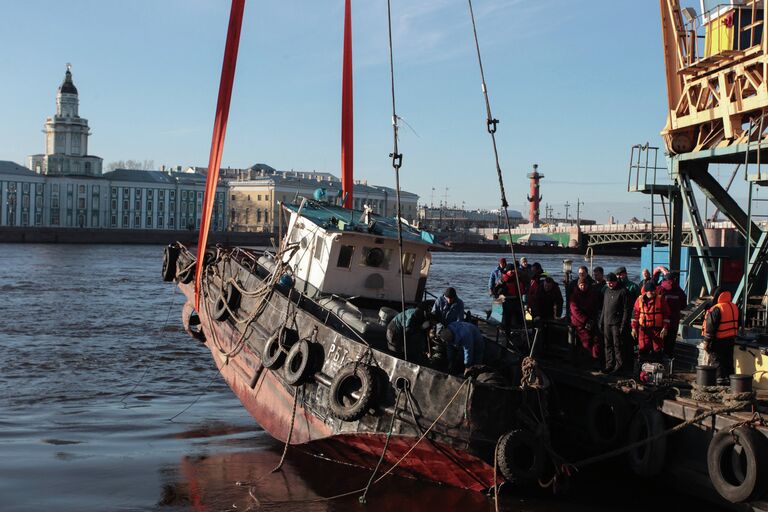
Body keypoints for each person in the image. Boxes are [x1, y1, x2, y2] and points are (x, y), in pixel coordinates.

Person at [702, 290, 738, 385]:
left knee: (717, 363)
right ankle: (732, 384)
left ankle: (720, 384)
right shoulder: (733, 306)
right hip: (730, 339)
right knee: (729, 362)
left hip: (718, 340)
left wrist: (706, 342)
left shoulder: (716, 309)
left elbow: (710, 328)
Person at [600, 272, 632, 374]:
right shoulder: (606, 291)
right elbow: (604, 308)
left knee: (617, 345)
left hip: (616, 323)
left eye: (611, 282)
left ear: (616, 281)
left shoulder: (623, 291)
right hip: (606, 322)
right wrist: (601, 321)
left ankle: (619, 366)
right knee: (607, 345)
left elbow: (626, 310)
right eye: (608, 283)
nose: (610, 284)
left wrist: (623, 325)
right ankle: (609, 365)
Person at [631, 281, 670, 361]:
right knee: (643, 348)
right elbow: (635, 316)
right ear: (646, 291)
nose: (652, 292)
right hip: (643, 329)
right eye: (650, 291)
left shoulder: (660, 300)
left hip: (657, 329)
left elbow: (666, 315)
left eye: (653, 290)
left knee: (657, 349)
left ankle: (657, 369)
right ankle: (643, 370)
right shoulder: (639, 300)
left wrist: (665, 328)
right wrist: (633, 328)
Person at [569, 277, 602, 363]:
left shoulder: (592, 294)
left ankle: (595, 359)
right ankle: (586, 361)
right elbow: (575, 312)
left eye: (584, 285)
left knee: (596, 339)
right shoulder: (574, 296)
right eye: (581, 285)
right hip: (580, 323)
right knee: (586, 341)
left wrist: (592, 320)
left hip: (591, 320)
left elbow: (595, 307)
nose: (583, 287)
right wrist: (586, 320)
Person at [658, 271, 687, 358]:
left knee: (660, 342)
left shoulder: (660, 289)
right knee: (670, 344)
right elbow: (683, 305)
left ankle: (659, 361)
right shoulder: (679, 290)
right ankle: (669, 361)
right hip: (674, 321)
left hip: (661, 322)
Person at [493, 263, 523, 336]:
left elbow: (522, 290)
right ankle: (506, 333)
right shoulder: (503, 280)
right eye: (511, 270)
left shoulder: (517, 279)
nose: (512, 271)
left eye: (513, 270)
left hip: (516, 301)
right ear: (507, 271)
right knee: (506, 319)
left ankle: (519, 332)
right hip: (506, 302)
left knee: (519, 318)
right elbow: (495, 292)